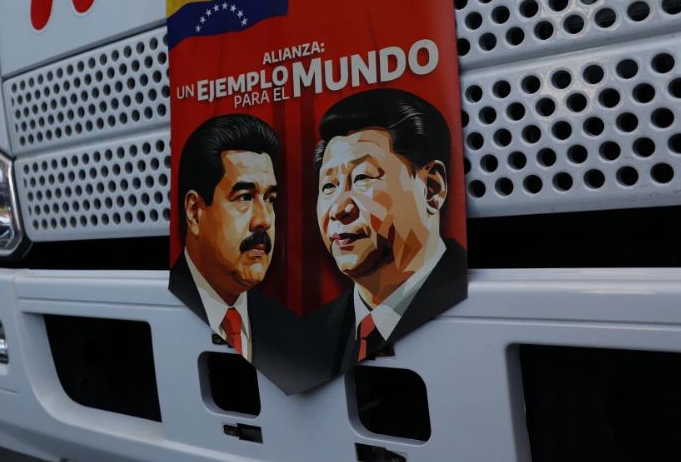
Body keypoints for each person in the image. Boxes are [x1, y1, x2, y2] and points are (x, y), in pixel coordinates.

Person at [311, 88, 467, 371]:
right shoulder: (309, 334)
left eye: (362, 178)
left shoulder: (471, 300)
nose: (338, 208)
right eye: (329, 186)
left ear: (432, 188)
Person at [170, 114, 327, 395]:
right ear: (194, 211)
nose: (264, 219)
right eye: (244, 197)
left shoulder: (291, 332)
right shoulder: (167, 304)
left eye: (270, 199)